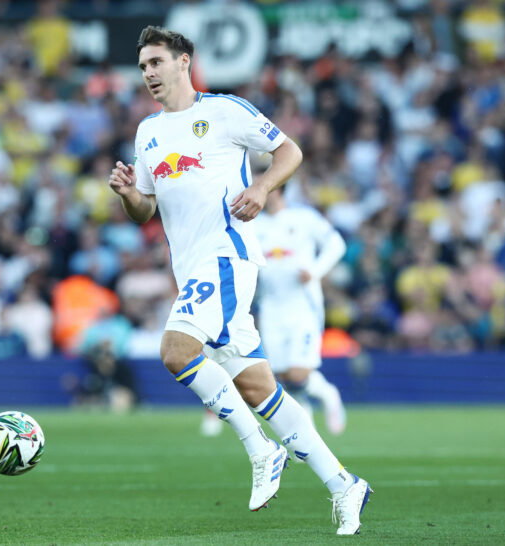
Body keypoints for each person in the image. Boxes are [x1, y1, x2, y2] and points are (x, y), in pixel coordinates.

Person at [108, 26, 371, 535]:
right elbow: (144, 210)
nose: (149, 75)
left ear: (184, 61)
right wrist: (126, 193)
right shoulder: (148, 132)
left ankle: (260, 449)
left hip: (227, 257)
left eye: (157, 63)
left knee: (176, 351)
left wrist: (264, 187)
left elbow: (289, 151)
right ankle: (344, 484)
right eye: (143, 67)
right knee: (257, 388)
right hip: (192, 270)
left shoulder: (226, 111)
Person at [254, 187, 348, 434]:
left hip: (302, 305)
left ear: (278, 190)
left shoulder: (303, 218)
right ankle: (306, 425)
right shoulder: (254, 224)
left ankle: (329, 395)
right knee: (282, 375)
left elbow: (336, 244)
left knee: (298, 373)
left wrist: (315, 271)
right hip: (271, 306)